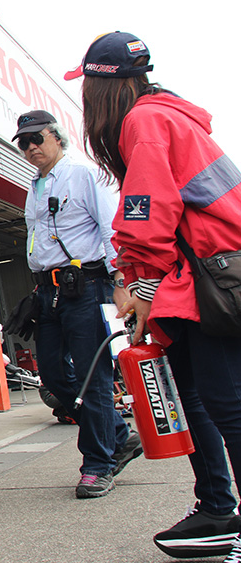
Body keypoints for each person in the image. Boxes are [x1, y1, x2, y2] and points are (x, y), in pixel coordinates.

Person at [72, 30, 241, 560]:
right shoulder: (163, 113)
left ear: (100, 88)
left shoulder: (143, 122)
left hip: (210, 276)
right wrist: (138, 280)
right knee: (196, 392)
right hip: (200, 273)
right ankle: (217, 508)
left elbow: (148, 213)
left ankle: (225, 511)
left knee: (228, 403)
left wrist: (142, 286)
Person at [12, 108, 142, 498]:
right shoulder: (34, 187)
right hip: (47, 292)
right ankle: (118, 435)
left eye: (37, 139)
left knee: (92, 377)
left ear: (56, 137)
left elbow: (110, 228)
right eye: (24, 143)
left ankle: (98, 465)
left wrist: (121, 281)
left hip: (86, 286)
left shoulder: (84, 175)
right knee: (53, 377)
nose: (31, 147)